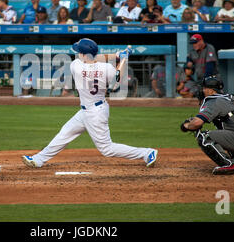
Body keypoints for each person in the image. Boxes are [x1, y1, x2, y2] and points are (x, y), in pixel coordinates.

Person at [22, 39, 158, 168]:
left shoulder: (76, 66)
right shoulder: (106, 68)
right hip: (91, 110)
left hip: (94, 114)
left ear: (82, 54)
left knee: (107, 149)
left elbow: (92, 58)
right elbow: (117, 78)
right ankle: (39, 159)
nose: (77, 54)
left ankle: (146, 153)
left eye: (79, 52)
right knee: (65, 133)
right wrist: (121, 59)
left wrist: (115, 56)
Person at [180, 76, 234, 175]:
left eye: (205, 88)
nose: (203, 90)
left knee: (205, 137)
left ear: (211, 90)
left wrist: (186, 126)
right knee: (222, 128)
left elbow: (197, 123)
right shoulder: (229, 98)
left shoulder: (214, 101)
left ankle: (229, 164)